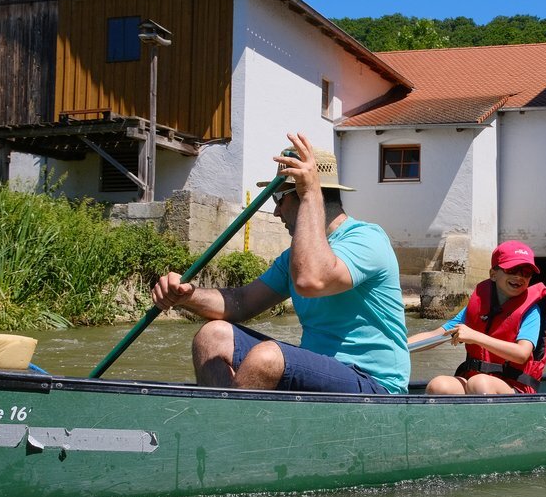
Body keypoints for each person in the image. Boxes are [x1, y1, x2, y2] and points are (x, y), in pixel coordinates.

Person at [151, 132, 410, 394]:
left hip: (373, 383)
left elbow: (312, 280)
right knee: (212, 336)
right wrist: (186, 295)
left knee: (268, 358)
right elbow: (241, 303)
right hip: (321, 372)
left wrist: (310, 193)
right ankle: (226, 418)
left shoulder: (367, 239)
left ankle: (225, 429)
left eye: (279, 198)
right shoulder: (293, 259)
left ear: (308, 194)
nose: (275, 211)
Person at [407, 240, 546, 395]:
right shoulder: (478, 305)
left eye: (526, 272)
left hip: (514, 386)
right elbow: (435, 335)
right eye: (512, 270)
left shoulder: (531, 311)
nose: (519, 276)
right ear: (493, 274)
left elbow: (521, 354)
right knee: (439, 385)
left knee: (480, 383)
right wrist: (397, 347)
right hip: (475, 380)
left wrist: (475, 337)